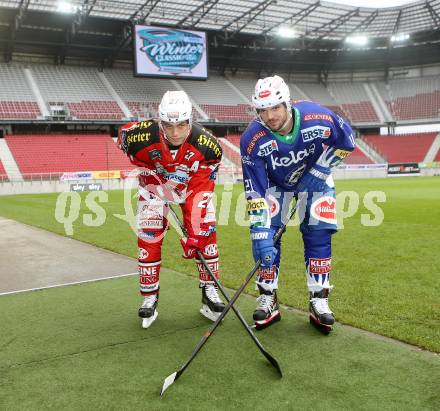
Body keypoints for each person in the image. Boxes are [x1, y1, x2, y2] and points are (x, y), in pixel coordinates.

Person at [240, 75, 355, 333]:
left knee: (318, 234)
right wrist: (259, 232)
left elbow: (348, 139)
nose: (269, 116)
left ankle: (319, 301)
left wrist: (321, 171)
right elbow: (254, 190)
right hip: (274, 186)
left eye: (275, 107)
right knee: (266, 241)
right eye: (262, 110)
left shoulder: (317, 116)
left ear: (287, 103)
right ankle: (268, 296)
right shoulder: (252, 138)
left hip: (318, 179)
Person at [117, 90, 225, 329]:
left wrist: (195, 234)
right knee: (149, 235)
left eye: (181, 125)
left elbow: (200, 192)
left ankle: (210, 291)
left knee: (206, 234)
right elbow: (122, 139)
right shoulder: (137, 136)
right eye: (168, 125)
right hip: (154, 187)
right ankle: (149, 295)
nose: (175, 132)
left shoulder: (209, 146)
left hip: (190, 188)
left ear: (190, 120)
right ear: (159, 121)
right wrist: (145, 170)